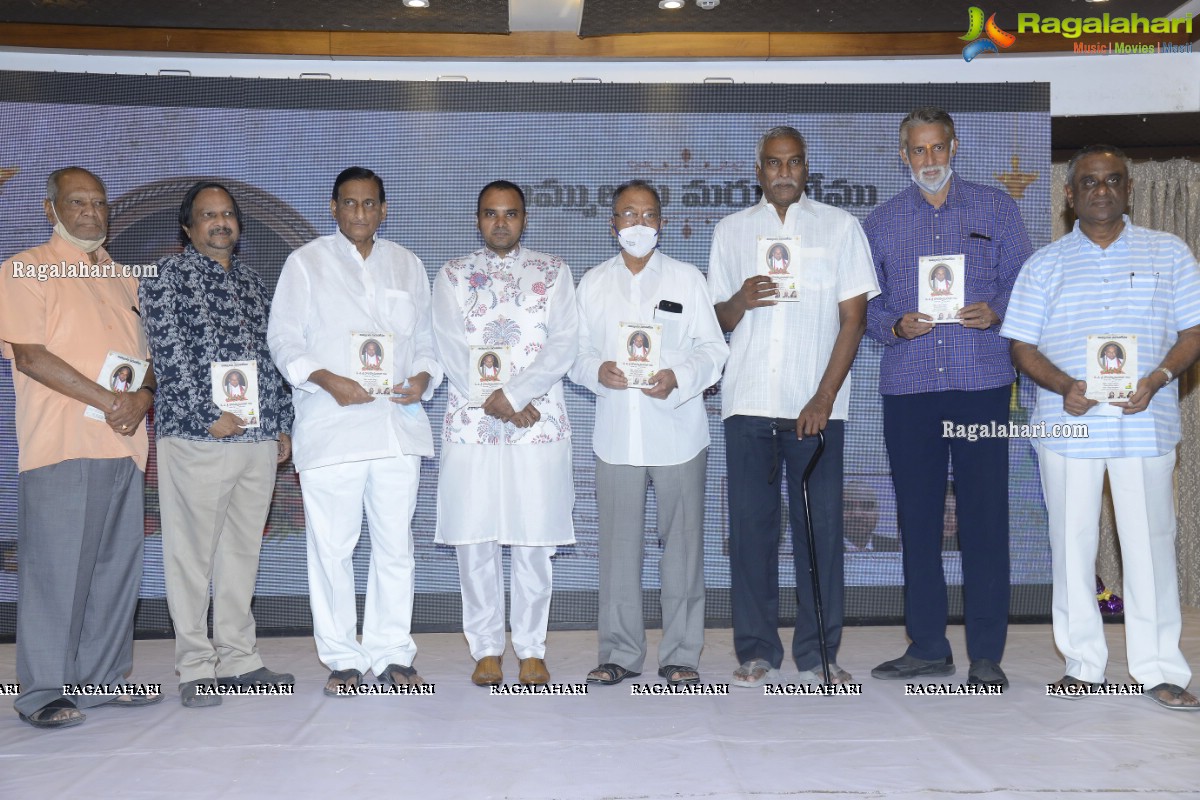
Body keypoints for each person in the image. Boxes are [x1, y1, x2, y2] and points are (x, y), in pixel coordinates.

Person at [1002, 144, 1200, 710]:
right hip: (1070, 423)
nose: (1102, 190)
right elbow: (1020, 344)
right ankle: (1084, 664)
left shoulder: (1171, 253)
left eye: (1113, 180)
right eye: (1089, 182)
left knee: (1151, 546)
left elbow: (1193, 331)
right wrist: (1065, 385)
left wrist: (1160, 375)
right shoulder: (1044, 264)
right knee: (1071, 546)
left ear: (1128, 189)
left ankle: (1160, 669)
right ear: (1069, 196)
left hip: (1146, 421)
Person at [863, 106, 1031, 689]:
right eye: (918, 150)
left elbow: (1022, 282)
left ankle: (986, 654)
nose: (929, 161)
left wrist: (998, 311)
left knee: (985, 520)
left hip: (983, 385)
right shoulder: (880, 222)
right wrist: (894, 325)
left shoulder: (995, 207)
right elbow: (866, 307)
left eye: (938, 149)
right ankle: (928, 646)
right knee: (918, 520)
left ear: (954, 148)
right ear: (902, 155)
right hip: (909, 389)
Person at [708, 126, 879, 687]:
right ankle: (756, 650)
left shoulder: (839, 227)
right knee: (752, 533)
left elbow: (854, 319)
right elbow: (716, 323)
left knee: (821, 532)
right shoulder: (731, 232)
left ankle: (819, 654)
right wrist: (740, 299)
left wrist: (824, 396)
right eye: (773, 164)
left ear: (808, 170)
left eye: (794, 163)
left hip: (816, 406)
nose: (783, 172)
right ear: (758, 171)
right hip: (749, 401)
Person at [268, 167, 442, 695]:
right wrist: (325, 379)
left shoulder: (408, 265)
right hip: (333, 426)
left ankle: (392, 652)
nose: (360, 213)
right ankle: (342, 658)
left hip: (395, 427)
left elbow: (429, 341)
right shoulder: (305, 264)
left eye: (370, 204)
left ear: (384, 209)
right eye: (350, 204)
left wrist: (423, 378)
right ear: (333, 207)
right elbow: (283, 341)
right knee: (333, 548)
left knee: (395, 547)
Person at [0, 167, 161, 728]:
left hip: (125, 445)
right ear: (51, 210)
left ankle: (102, 680)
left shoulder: (124, 279)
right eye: (77, 202)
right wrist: (109, 399)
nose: (92, 212)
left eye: (99, 202)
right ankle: (42, 692)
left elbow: (147, 362)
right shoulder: (24, 269)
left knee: (117, 570)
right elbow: (31, 356)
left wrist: (140, 398)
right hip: (61, 445)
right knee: (55, 572)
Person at [140, 181, 296, 707]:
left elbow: (273, 358)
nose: (220, 222)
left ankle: (239, 657)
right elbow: (167, 352)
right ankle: (194, 667)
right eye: (208, 215)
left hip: (256, 438)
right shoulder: (167, 277)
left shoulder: (254, 283)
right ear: (187, 228)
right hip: (198, 436)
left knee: (241, 554)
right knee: (190, 555)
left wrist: (281, 422)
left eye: (227, 214)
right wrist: (210, 416)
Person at [571, 180, 728, 687]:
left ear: (660, 223)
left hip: (679, 433)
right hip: (617, 436)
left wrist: (678, 377)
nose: (637, 225)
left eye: (647, 215)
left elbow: (713, 350)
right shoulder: (592, 283)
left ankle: (681, 654)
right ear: (612, 224)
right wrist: (597, 370)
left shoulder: (686, 280)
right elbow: (572, 353)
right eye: (627, 215)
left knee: (682, 548)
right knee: (618, 550)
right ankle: (619, 653)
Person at [432, 180, 578, 687]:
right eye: (491, 214)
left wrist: (516, 397)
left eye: (510, 214)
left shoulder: (553, 272)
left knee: (533, 538)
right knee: (476, 538)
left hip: (538, 422)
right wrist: (496, 402)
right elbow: (450, 348)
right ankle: (487, 648)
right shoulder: (452, 275)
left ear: (524, 219)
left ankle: (532, 648)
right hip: (472, 424)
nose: (500, 222)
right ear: (477, 220)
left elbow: (564, 344)